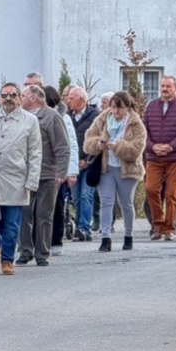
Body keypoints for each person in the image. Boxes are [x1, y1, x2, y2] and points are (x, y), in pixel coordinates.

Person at [0, 83, 42, 276]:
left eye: (13, 95)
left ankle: (7, 259)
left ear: (19, 98)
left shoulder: (29, 121)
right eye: (4, 95)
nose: (8, 98)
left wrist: (32, 180)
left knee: (12, 223)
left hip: (15, 178)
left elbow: (35, 152)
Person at [83, 91, 147, 252]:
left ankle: (128, 235)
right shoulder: (103, 119)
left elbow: (136, 149)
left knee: (126, 203)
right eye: (113, 108)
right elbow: (88, 140)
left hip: (127, 168)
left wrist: (118, 146)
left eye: (120, 108)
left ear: (127, 107)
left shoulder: (136, 123)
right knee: (106, 201)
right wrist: (98, 144)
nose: (116, 112)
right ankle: (105, 238)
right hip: (106, 167)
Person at [17, 85, 68, 267]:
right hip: (23, 173)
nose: (18, 98)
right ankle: (25, 250)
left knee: (44, 214)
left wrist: (61, 172)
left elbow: (62, 146)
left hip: (47, 173)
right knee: (23, 213)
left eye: (22, 95)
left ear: (34, 98)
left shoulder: (51, 117)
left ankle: (42, 252)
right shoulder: (20, 117)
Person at [142, 76, 176, 241]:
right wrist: (152, 146)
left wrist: (171, 146)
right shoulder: (151, 106)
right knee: (151, 189)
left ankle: (170, 228)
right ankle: (157, 225)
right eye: (162, 86)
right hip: (154, 156)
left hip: (175, 157)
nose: (164, 89)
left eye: (168, 86)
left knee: (172, 193)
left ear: (175, 88)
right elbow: (143, 131)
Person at [48, 86, 80, 256]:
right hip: (40, 168)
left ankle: (56, 240)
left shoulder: (63, 118)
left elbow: (71, 145)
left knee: (58, 205)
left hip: (57, 169)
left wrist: (70, 171)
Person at [66, 87, 99, 242]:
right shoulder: (67, 117)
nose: (68, 100)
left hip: (89, 164)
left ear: (82, 100)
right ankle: (79, 227)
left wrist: (87, 160)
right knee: (76, 197)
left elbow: (99, 140)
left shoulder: (95, 117)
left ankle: (84, 228)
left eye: (72, 98)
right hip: (73, 164)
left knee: (86, 195)